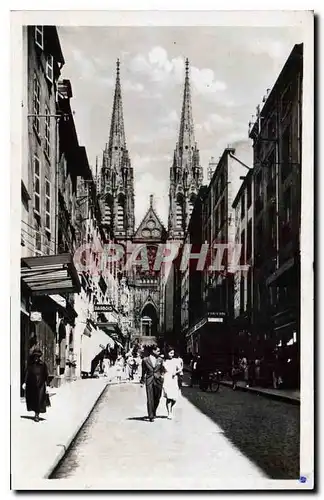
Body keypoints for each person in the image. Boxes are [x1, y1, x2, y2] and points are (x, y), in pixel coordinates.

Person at [22, 348, 49, 422]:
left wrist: (47, 385)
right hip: (32, 384)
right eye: (35, 357)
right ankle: (35, 412)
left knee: (39, 400)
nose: (36, 358)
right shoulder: (30, 365)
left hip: (40, 385)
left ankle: (37, 415)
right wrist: (25, 382)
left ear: (39, 357)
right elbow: (27, 374)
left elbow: (46, 375)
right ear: (33, 357)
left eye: (37, 357)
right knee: (33, 399)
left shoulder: (43, 364)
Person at [140, 345, 164, 422]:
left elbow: (163, 369)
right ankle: (151, 415)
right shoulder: (145, 360)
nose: (159, 352)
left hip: (158, 380)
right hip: (149, 379)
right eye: (158, 351)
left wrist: (162, 376)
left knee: (158, 397)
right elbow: (143, 371)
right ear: (153, 351)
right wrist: (142, 381)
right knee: (150, 397)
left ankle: (153, 411)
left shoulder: (160, 359)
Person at [163, 348, 182, 419]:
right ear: (167, 353)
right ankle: (169, 413)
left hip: (174, 379)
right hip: (167, 379)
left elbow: (180, 369)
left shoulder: (175, 361)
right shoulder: (164, 361)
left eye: (173, 353)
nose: (172, 354)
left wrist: (176, 372)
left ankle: (171, 409)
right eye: (170, 353)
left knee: (174, 398)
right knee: (168, 397)